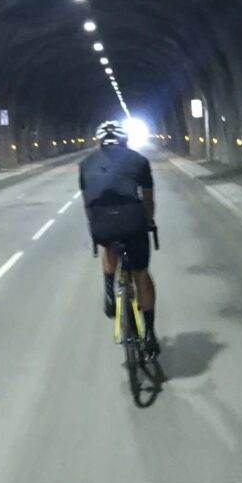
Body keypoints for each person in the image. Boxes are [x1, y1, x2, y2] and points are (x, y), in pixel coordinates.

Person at [79, 120, 159, 356]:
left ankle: (109, 292)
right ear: (125, 141)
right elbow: (148, 199)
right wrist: (148, 222)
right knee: (141, 274)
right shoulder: (139, 161)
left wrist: (95, 226)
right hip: (132, 223)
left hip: (101, 224)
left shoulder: (85, 164)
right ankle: (150, 334)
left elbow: (88, 203)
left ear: (99, 142)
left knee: (109, 246)